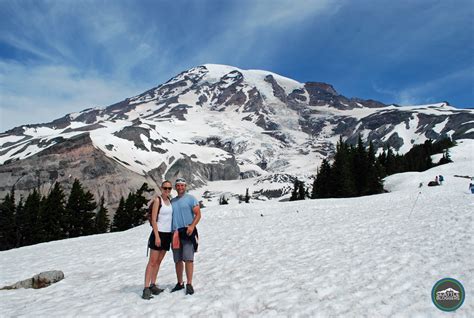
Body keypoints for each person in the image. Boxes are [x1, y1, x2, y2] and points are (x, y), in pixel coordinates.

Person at [142, 180, 173, 300]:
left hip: (167, 235)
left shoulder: (169, 201)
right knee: (152, 262)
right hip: (158, 234)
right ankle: (146, 288)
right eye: (165, 188)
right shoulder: (157, 200)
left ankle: (153, 284)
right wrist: (157, 236)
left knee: (158, 262)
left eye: (169, 188)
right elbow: (154, 219)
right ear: (161, 188)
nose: (167, 190)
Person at [170, 178, 201, 295]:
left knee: (188, 258)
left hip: (188, 231)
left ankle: (189, 283)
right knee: (177, 260)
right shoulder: (172, 201)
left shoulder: (191, 199)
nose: (180, 187)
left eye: (182, 185)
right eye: (178, 185)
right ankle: (179, 283)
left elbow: (198, 214)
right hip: (175, 233)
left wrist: (192, 226)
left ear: (185, 186)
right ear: (176, 187)